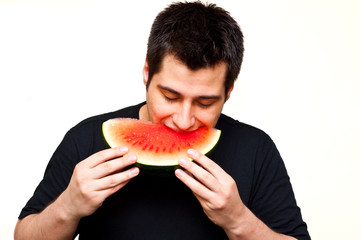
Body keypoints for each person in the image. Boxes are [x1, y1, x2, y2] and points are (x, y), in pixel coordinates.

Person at [15, 1, 310, 239]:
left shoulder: (256, 149)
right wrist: (68, 207)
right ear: (147, 73)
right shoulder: (88, 138)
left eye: (205, 102)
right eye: (170, 96)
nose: (183, 121)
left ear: (229, 91)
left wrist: (239, 221)